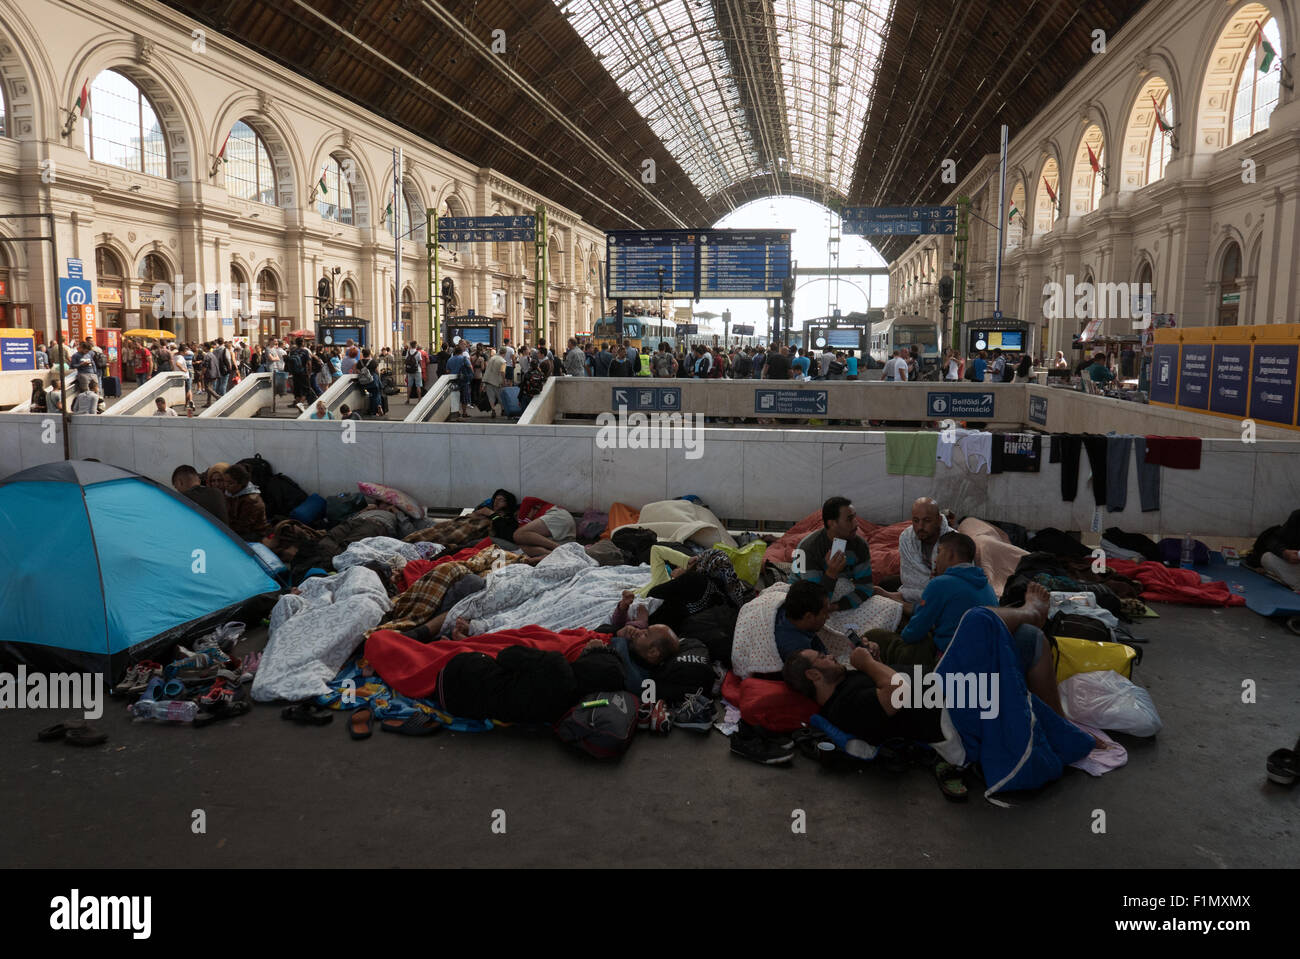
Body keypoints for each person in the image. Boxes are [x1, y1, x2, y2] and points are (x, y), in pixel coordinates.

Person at [783, 580, 1072, 799]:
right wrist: (868, 665)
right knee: (977, 619)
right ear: (813, 675)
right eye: (822, 658)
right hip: (950, 710)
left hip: (944, 685)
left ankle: (1063, 725)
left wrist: (877, 660)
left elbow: (890, 683)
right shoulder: (843, 708)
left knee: (1029, 639)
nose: (830, 656)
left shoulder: (845, 684)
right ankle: (1030, 611)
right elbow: (900, 693)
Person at [790, 496, 873, 612]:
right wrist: (831, 573)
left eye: (855, 517)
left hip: (838, 600)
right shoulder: (808, 548)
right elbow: (812, 599)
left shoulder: (859, 546)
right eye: (849, 519)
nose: (856, 524)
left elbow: (866, 587)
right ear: (832, 523)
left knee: (889, 607)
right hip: (805, 601)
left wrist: (837, 606)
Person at [223, 463, 268, 540]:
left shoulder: (251, 500)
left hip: (254, 534)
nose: (226, 485)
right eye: (225, 481)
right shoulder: (230, 494)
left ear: (241, 484)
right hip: (235, 529)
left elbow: (243, 526)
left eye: (230, 483)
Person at [445, 343, 472, 420]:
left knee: (455, 396)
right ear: (461, 352)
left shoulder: (450, 360)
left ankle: (456, 411)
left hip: (454, 381)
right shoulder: (464, 358)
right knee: (464, 397)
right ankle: (464, 412)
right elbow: (470, 367)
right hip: (464, 380)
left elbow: (447, 370)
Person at [483, 346, 507, 418]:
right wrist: (504, 381)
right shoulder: (502, 361)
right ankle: (503, 410)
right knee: (500, 397)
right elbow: (502, 372)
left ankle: (493, 410)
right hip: (497, 381)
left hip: (487, 380)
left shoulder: (492, 358)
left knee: (491, 397)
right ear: (505, 353)